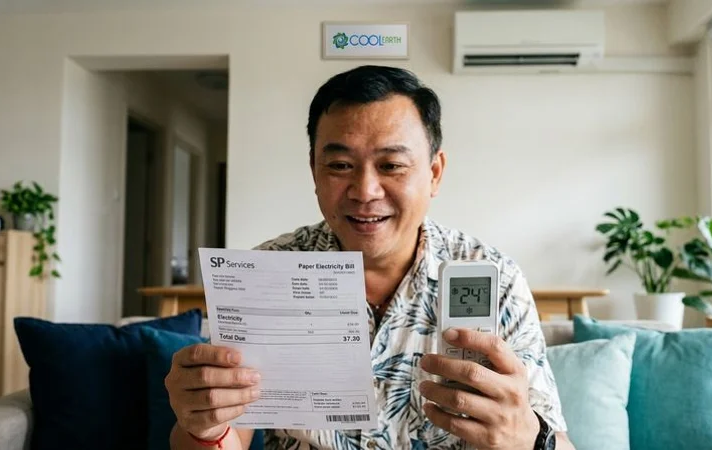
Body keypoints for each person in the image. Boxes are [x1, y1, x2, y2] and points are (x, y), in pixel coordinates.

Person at [165, 65, 575, 450]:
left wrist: (527, 436)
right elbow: (225, 436)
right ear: (314, 170)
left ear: (434, 173)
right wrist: (203, 425)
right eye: (340, 165)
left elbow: (558, 441)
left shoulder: (495, 279)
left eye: (391, 165)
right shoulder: (267, 273)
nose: (365, 191)